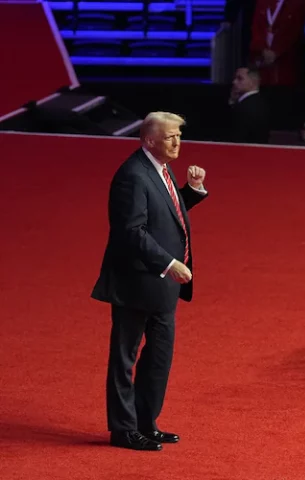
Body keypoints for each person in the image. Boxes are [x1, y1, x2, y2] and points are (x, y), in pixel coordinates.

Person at [91, 112, 209, 451]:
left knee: (159, 356)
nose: (178, 142)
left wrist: (193, 192)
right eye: (171, 136)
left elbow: (165, 212)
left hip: (162, 284)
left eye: (179, 135)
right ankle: (123, 429)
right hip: (136, 281)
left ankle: (146, 421)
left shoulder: (158, 167)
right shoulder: (132, 175)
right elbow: (131, 231)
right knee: (125, 357)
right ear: (149, 140)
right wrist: (169, 262)